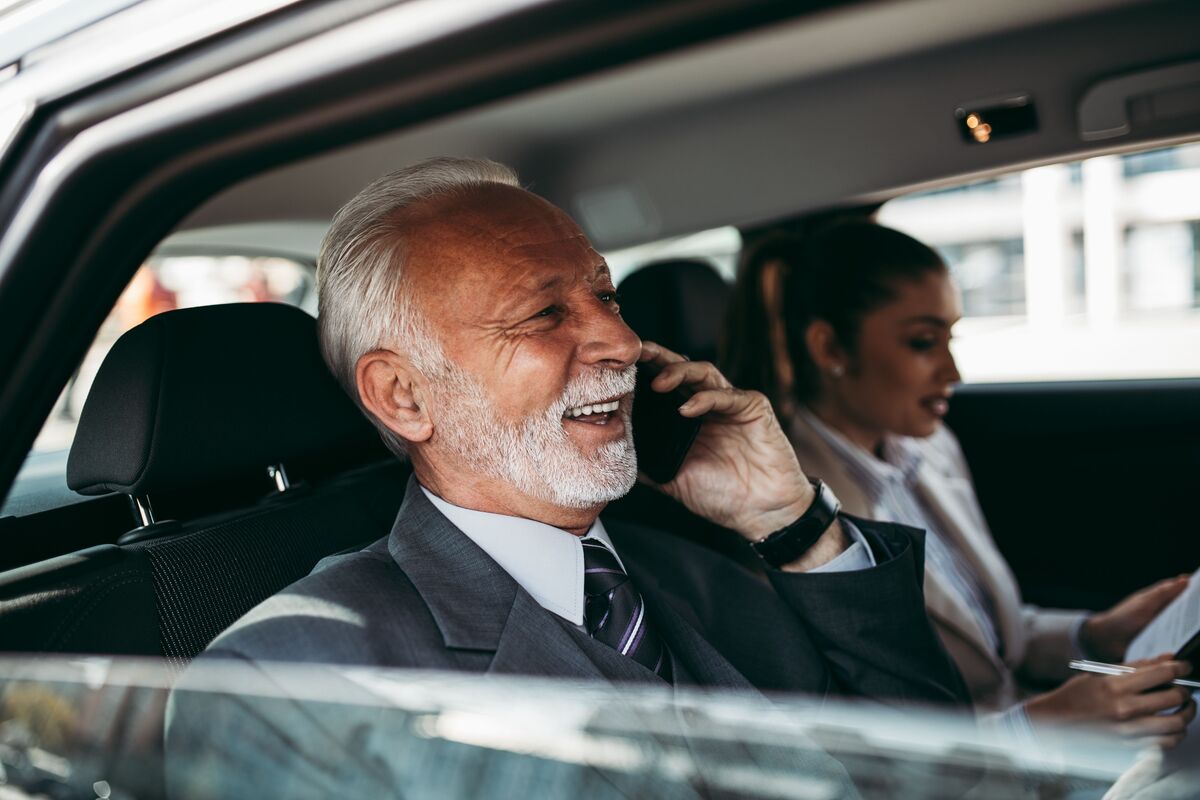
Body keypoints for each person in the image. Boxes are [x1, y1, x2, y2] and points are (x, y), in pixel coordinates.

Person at [165, 159, 970, 798]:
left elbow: (941, 773)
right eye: (545, 314)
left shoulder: (706, 572)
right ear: (404, 395)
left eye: (607, 297)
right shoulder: (294, 682)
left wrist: (793, 523)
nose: (620, 340)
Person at [721, 221, 1196, 747]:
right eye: (924, 342)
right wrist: (1038, 727)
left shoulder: (930, 448)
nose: (954, 370)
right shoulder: (784, 509)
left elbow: (990, 642)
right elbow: (856, 743)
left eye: (952, 338)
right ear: (829, 347)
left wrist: (1096, 633)